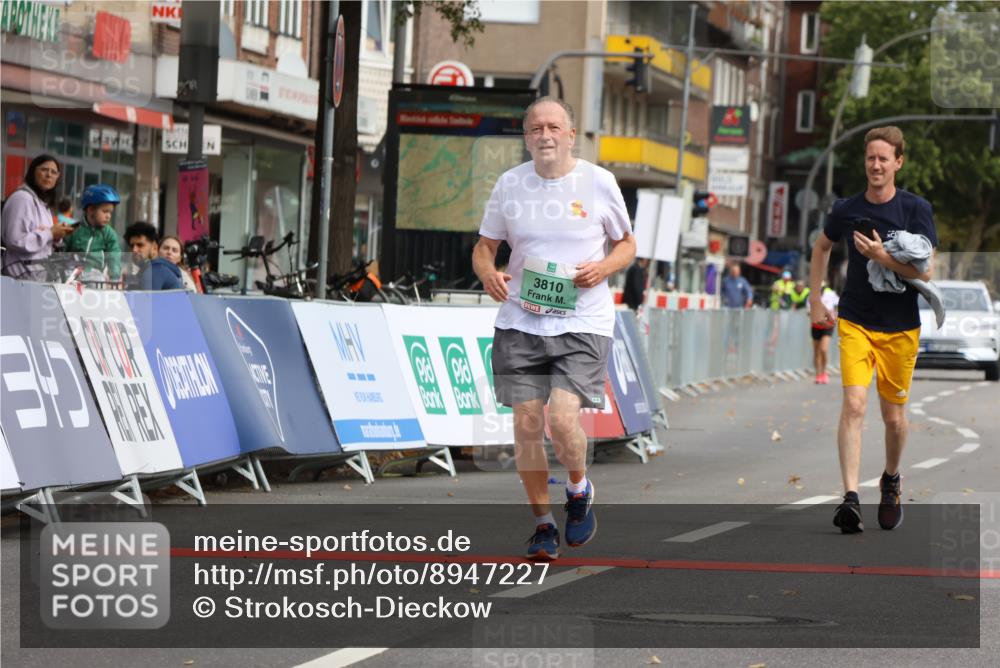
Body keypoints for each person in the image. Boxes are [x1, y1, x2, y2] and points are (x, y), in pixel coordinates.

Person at [472, 97, 635, 561]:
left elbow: (627, 244)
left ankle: (579, 490)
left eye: (553, 127)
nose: (545, 135)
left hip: (582, 320)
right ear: (526, 138)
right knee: (526, 425)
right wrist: (488, 272)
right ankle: (544, 525)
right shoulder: (510, 185)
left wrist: (602, 268)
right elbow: (484, 247)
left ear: (570, 134)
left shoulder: (599, 182)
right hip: (521, 319)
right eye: (535, 128)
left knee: (562, 419)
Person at [808, 126, 936, 534]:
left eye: (884, 158)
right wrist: (815, 298)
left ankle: (891, 479)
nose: (876, 165)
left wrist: (883, 255)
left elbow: (926, 271)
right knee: (855, 406)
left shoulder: (915, 209)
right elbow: (821, 246)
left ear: (898, 162)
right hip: (855, 320)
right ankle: (849, 498)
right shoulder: (846, 209)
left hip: (900, 327)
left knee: (894, 418)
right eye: (870, 158)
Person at [1, 154, 75, 278]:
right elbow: (16, 240)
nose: (49, 175)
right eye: (44, 169)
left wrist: (56, 236)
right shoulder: (22, 198)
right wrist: (50, 233)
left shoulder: (42, 204)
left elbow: (41, 240)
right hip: (18, 276)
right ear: (32, 172)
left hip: (36, 275)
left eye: (54, 172)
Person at [63, 184, 123, 284]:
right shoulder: (75, 229)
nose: (108, 216)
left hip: (94, 274)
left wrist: (114, 277)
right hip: (71, 272)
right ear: (90, 210)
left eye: (110, 212)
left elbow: (114, 255)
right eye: (105, 211)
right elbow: (63, 251)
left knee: (97, 286)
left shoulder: (109, 233)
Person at [123, 222, 183, 290]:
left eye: (140, 245)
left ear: (154, 248)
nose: (134, 250)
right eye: (132, 246)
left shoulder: (155, 269)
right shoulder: (151, 268)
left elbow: (145, 300)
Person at [810, 282, 839, 384]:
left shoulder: (830, 294)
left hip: (828, 326)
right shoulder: (812, 294)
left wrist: (834, 315)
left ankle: (824, 372)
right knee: (816, 351)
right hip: (816, 325)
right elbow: (808, 310)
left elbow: (837, 304)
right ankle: (818, 375)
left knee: (823, 349)